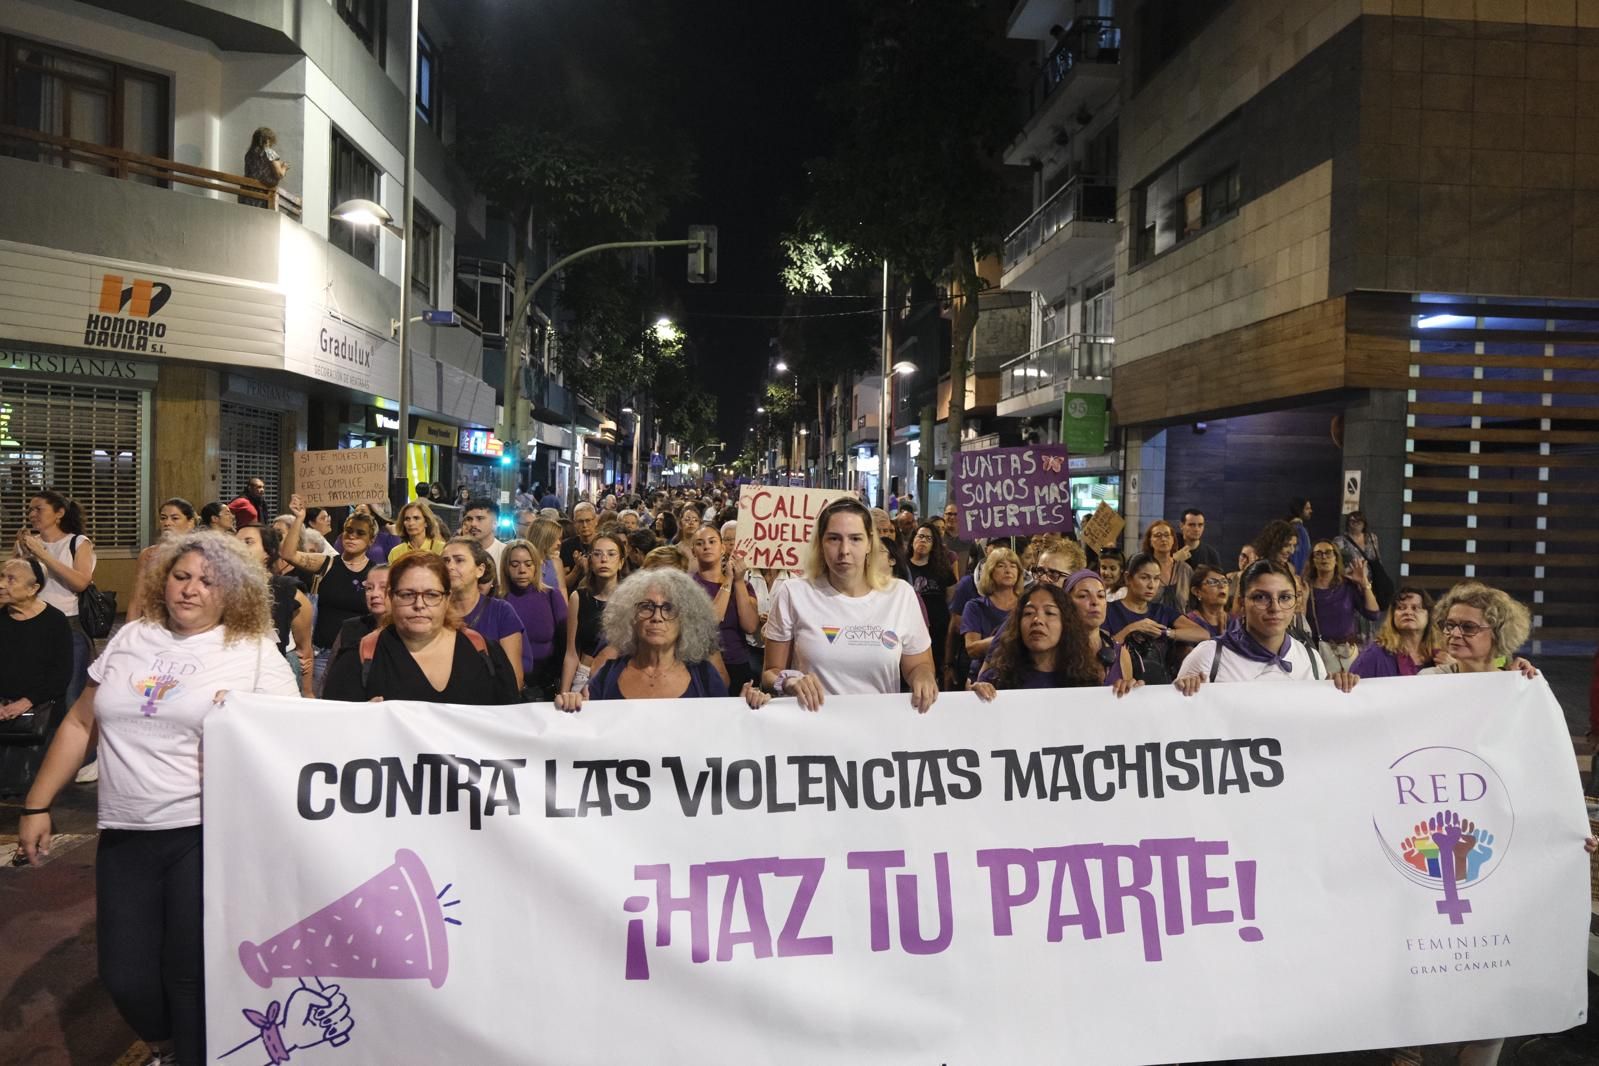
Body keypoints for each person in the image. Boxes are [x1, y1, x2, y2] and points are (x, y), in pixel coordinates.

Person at [18, 531, 300, 1065]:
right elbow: (81, 723)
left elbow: (295, 738)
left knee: (189, 978)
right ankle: (167, 1048)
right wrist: (37, 804)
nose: (191, 590)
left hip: (205, 835)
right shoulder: (131, 639)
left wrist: (247, 717)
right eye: (182, 576)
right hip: (125, 834)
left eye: (208, 581)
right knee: (124, 976)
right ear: (163, 580)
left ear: (233, 591)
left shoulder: (256, 656)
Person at [761, 497, 937, 712]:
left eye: (855, 538)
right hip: (811, 731)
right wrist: (789, 682)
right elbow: (770, 672)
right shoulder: (793, 592)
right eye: (834, 538)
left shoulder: (900, 594)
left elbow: (919, 665)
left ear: (869, 543)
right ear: (820, 542)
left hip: (880, 730)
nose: (844, 550)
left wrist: (923, 678)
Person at [554, 569, 772, 709]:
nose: (657, 617)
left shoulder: (705, 677)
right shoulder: (606, 676)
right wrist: (572, 707)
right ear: (630, 617)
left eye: (669, 608)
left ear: (686, 619)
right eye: (646, 607)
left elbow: (723, 738)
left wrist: (747, 711)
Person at [323, 553, 520, 704]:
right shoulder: (360, 657)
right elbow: (334, 730)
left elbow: (512, 724)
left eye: (432, 595)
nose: (419, 604)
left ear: (447, 598)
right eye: (408, 594)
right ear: (391, 597)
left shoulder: (484, 652)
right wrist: (357, 719)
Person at [1175, 560, 1359, 693]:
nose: (1275, 608)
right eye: (1261, 597)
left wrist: (1341, 687)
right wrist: (1185, 691)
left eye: (1285, 597)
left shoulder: (1310, 658)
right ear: (1242, 604)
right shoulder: (1208, 656)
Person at [280, 494, 377, 687]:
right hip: (321, 653)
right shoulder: (327, 563)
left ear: (371, 540)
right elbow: (288, 554)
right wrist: (299, 518)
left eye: (360, 533)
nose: (352, 536)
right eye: (349, 530)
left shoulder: (376, 573)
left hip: (357, 653)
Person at [15, 491, 96, 720]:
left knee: (70, 693)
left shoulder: (77, 542)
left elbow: (81, 582)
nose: (32, 514)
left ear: (59, 513)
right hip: (31, 623)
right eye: (30, 509)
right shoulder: (29, 543)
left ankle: (76, 749)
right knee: (34, 689)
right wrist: (21, 554)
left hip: (68, 625)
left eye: (38, 509)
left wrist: (43, 554)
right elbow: (15, 583)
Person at [970, 584, 1129, 698]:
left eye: (1050, 613)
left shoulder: (1088, 681)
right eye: (1028, 613)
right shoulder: (997, 680)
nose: (1037, 620)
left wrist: (1131, 695)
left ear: (1066, 624)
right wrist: (974, 698)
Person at [0, 558, 74, 797]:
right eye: (1, 576)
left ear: (34, 588)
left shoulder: (54, 622)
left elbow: (61, 674)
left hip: (41, 709)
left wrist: (26, 701)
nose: (1, 584)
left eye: (11, 579)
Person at [1104, 552, 1210, 683]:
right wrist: (1131, 629)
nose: (1151, 585)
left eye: (1156, 578)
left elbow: (1203, 634)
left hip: (1158, 685)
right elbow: (1103, 651)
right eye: (1144, 578)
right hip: (1120, 684)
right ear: (1127, 578)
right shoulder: (1109, 610)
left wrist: (1167, 633)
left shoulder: (1162, 611)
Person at [236, 524, 315, 697]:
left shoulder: (288, 592)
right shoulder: (219, 590)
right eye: (234, 542)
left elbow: (305, 649)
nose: (238, 548)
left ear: (268, 553)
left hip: (277, 677)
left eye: (248, 542)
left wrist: (308, 694)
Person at [440, 537, 525, 692]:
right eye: (445, 561)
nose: (450, 566)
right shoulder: (434, 611)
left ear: (480, 570)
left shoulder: (502, 611)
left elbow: (514, 679)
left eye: (459, 560)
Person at [689, 525, 759, 692]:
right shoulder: (688, 586)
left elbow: (750, 626)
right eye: (700, 543)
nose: (706, 546)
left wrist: (739, 582)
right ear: (693, 552)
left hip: (739, 663)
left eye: (712, 541)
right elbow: (711, 621)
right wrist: (728, 579)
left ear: (722, 548)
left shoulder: (742, 584)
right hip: (703, 666)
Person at [1421, 582, 1539, 679]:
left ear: (1498, 633)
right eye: (1450, 625)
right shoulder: (1430, 679)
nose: (1454, 633)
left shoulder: (1520, 679)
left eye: (1468, 627)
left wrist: (1516, 682)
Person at [501, 538, 567, 699]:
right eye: (514, 565)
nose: (522, 570)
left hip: (545, 684)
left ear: (536, 566)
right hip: (506, 684)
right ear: (506, 568)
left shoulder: (552, 596)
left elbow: (565, 645)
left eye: (528, 564)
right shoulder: (497, 600)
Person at [561, 533, 626, 694]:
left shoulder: (632, 598)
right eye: (597, 554)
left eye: (611, 554)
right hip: (584, 676)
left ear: (621, 562)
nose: (604, 559)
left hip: (622, 675)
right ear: (590, 560)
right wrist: (564, 692)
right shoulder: (579, 598)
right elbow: (572, 653)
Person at [1304, 539, 1381, 674]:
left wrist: (1364, 585)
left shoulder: (1347, 586)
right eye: (1319, 554)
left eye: (1329, 553)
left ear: (1336, 558)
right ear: (1313, 560)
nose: (1324, 557)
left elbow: (1373, 614)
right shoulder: (1305, 587)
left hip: (1347, 653)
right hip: (1317, 653)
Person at [321, 564, 390, 694]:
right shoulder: (351, 627)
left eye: (384, 588)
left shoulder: (405, 634)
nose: (374, 594)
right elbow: (329, 674)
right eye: (369, 588)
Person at [126, 497, 197, 624]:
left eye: (175, 518)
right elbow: (137, 599)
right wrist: (127, 634)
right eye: (163, 518)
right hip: (154, 624)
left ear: (190, 522)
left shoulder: (200, 554)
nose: (167, 523)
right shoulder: (149, 555)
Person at [960, 547, 1024, 681]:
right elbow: (972, 649)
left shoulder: (1026, 606)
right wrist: (1007, 638)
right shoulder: (975, 606)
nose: (1008, 570)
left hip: (1019, 676)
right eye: (1001, 566)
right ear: (990, 572)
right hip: (984, 677)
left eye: (1013, 566)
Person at [907, 522, 956, 683]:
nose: (923, 541)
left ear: (934, 545)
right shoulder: (901, 566)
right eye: (920, 536)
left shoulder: (942, 569)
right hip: (909, 627)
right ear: (913, 539)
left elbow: (951, 599)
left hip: (937, 629)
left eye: (929, 539)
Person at [1351, 587, 1437, 678]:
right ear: (1392, 616)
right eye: (1401, 608)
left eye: (1415, 608)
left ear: (1429, 615)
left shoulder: (1440, 656)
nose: (1408, 612)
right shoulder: (1374, 655)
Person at [1141, 519, 1193, 616]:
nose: (1163, 539)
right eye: (1158, 535)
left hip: (1182, 625)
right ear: (1150, 541)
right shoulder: (1143, 568)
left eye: (1167, 535)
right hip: (1149, 625)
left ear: (1173, 539)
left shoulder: (1185, 569)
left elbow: (1192, 604)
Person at [387, 499, 449, 564]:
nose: (411, 523)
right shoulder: (396, 553)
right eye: (407, 519)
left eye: (416, 518)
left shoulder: (441, 549)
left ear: (426, 522)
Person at [242, 126, 289, 207]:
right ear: (268, 139)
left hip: (246, 194)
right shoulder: (269, 153)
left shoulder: (249, 154)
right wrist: (284, 167)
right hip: (263, 195)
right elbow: (280, 174)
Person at [459, 497, 507, 572]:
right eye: (469, 519)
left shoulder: (506, 553)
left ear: (495, 523)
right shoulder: (457, 553)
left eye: (480, 518)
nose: (473, 524)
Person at [1184, 564, 1231, 639]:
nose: (1222, 586)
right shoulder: (1188, 622)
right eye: (1213, 582)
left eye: (1225, 581)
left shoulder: (1236, 622)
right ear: (1196, 591)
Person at [941, 502, 975, 577]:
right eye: (949, 514)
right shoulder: (938, 537)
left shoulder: (968, 537)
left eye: (956, 514)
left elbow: (976, 556)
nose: (952, 517)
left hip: (963, 584)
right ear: (944, 515)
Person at [1287, 497, 1313, 575]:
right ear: (1299, 510)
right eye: (1307, 508)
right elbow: (1300, 558)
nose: (1311, 511)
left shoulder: (1292, 527)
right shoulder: (1299, 530)